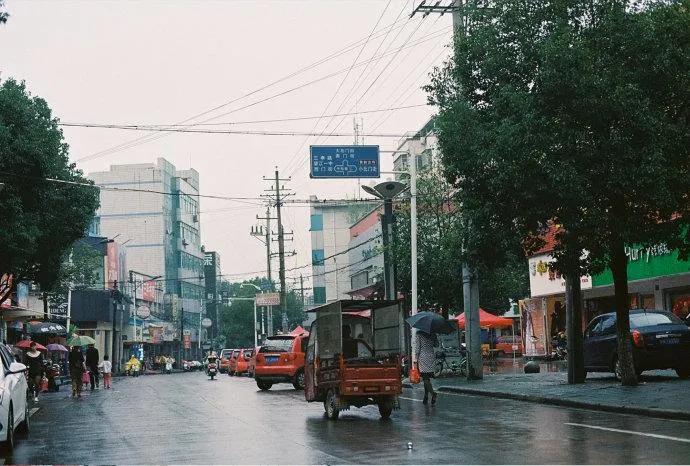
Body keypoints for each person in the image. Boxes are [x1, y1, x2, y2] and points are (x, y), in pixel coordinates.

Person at [415, 331, 438, 405]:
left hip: (423, 356)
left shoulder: (419, 334)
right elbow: (436, 345)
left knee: (425, 378)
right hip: (431, 356)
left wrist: (416, 359)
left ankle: (433, 393)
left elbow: (418, 348)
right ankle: (426, 396)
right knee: (427, 378)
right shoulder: (433, 333)